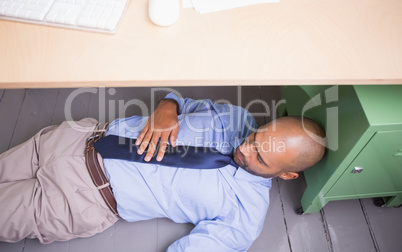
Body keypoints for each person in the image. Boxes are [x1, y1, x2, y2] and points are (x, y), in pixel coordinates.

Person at [0, 93, 326, 251]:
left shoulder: (245, 215)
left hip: (79, 199)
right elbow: (182, 101)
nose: (244, 148)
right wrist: (168, 107)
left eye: (261, 158)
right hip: (75, 137)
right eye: (256, 137)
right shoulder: (236, 117)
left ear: (287, 175)